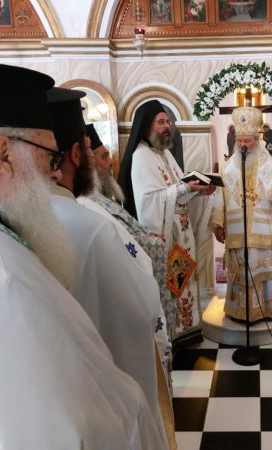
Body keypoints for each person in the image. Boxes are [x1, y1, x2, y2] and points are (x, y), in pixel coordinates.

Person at [0, 61, 161, 448]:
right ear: (2, 155)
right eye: (47, 155)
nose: (55, 173)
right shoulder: (1, 282)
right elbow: (56, 433)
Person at [47, 88, 173, 450]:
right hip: (110, 379)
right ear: (76, 155)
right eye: (92, 151)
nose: (105, 160)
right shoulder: (90, 222)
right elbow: (141, 304)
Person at [118, 100, 215, 349]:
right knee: (171, 286)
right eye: (161, 122)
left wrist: (198, 191)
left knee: (184, 282)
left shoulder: (165, 154)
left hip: (181, 234)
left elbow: (178, 192)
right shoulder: (141, 156)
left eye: (168, 121)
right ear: (146, 127)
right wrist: (185, 188)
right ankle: (172, 336)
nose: (167, 127)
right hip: (165, 237)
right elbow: (149, 201)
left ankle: (187, 330)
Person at [80, 123, 175, 370]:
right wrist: (152, 241)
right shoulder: (88, 202)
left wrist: (147, 235)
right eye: (103, 156)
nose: (111, 162)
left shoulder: (101, 197)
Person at [211, 106, 272, 323]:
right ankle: (237, 311)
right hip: (237, 232)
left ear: (257, 140)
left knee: (259, 271)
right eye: (240, 141)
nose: (243, 145)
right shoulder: (228, 167)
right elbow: (220, 196)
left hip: (260, 233)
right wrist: (218, 224)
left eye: (247, 141)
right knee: (239, 271)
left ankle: (265, 310)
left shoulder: (271, 166)